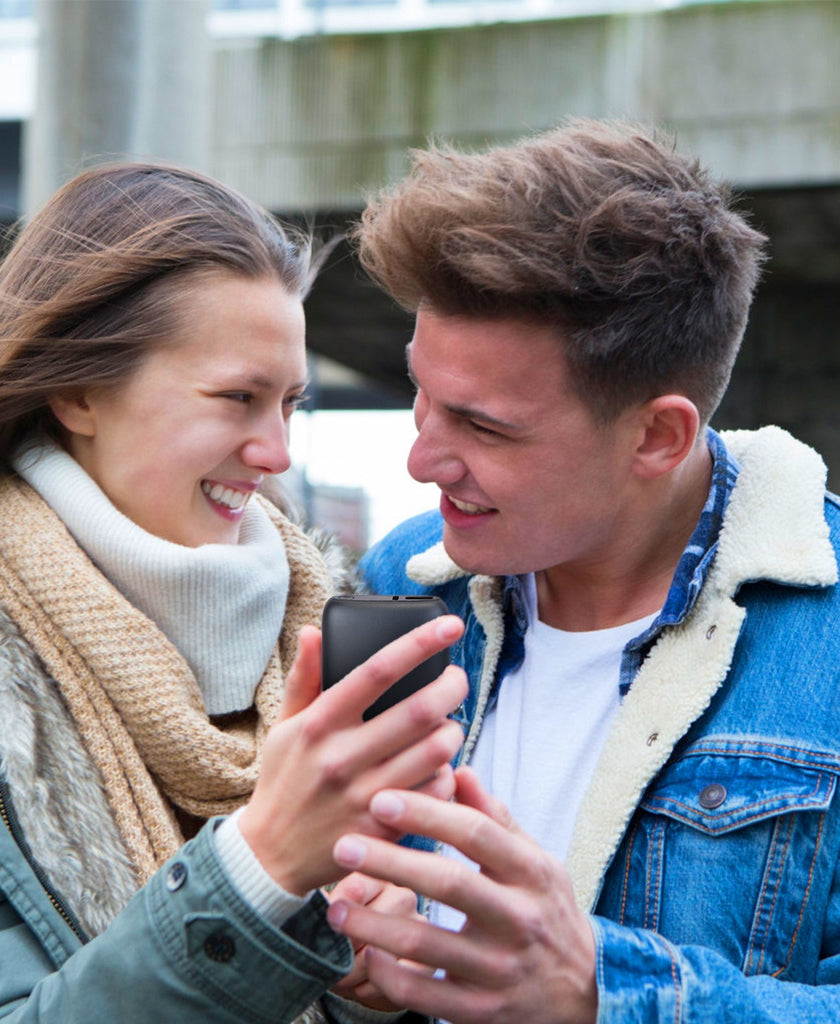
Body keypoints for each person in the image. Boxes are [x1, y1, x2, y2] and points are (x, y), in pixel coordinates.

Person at [0, 161, 470, 1024]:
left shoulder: (323, 620)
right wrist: (262, 866)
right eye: (238, 398)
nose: (275, 451)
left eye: (290, 404)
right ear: (78, 390)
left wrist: (360, 984)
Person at [322, 119, 840, 1023]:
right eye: (420, 396)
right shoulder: (403, 579)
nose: (421, 460)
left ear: (657, 436)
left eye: (483, 427)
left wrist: (604, 996)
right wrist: (353, 960)